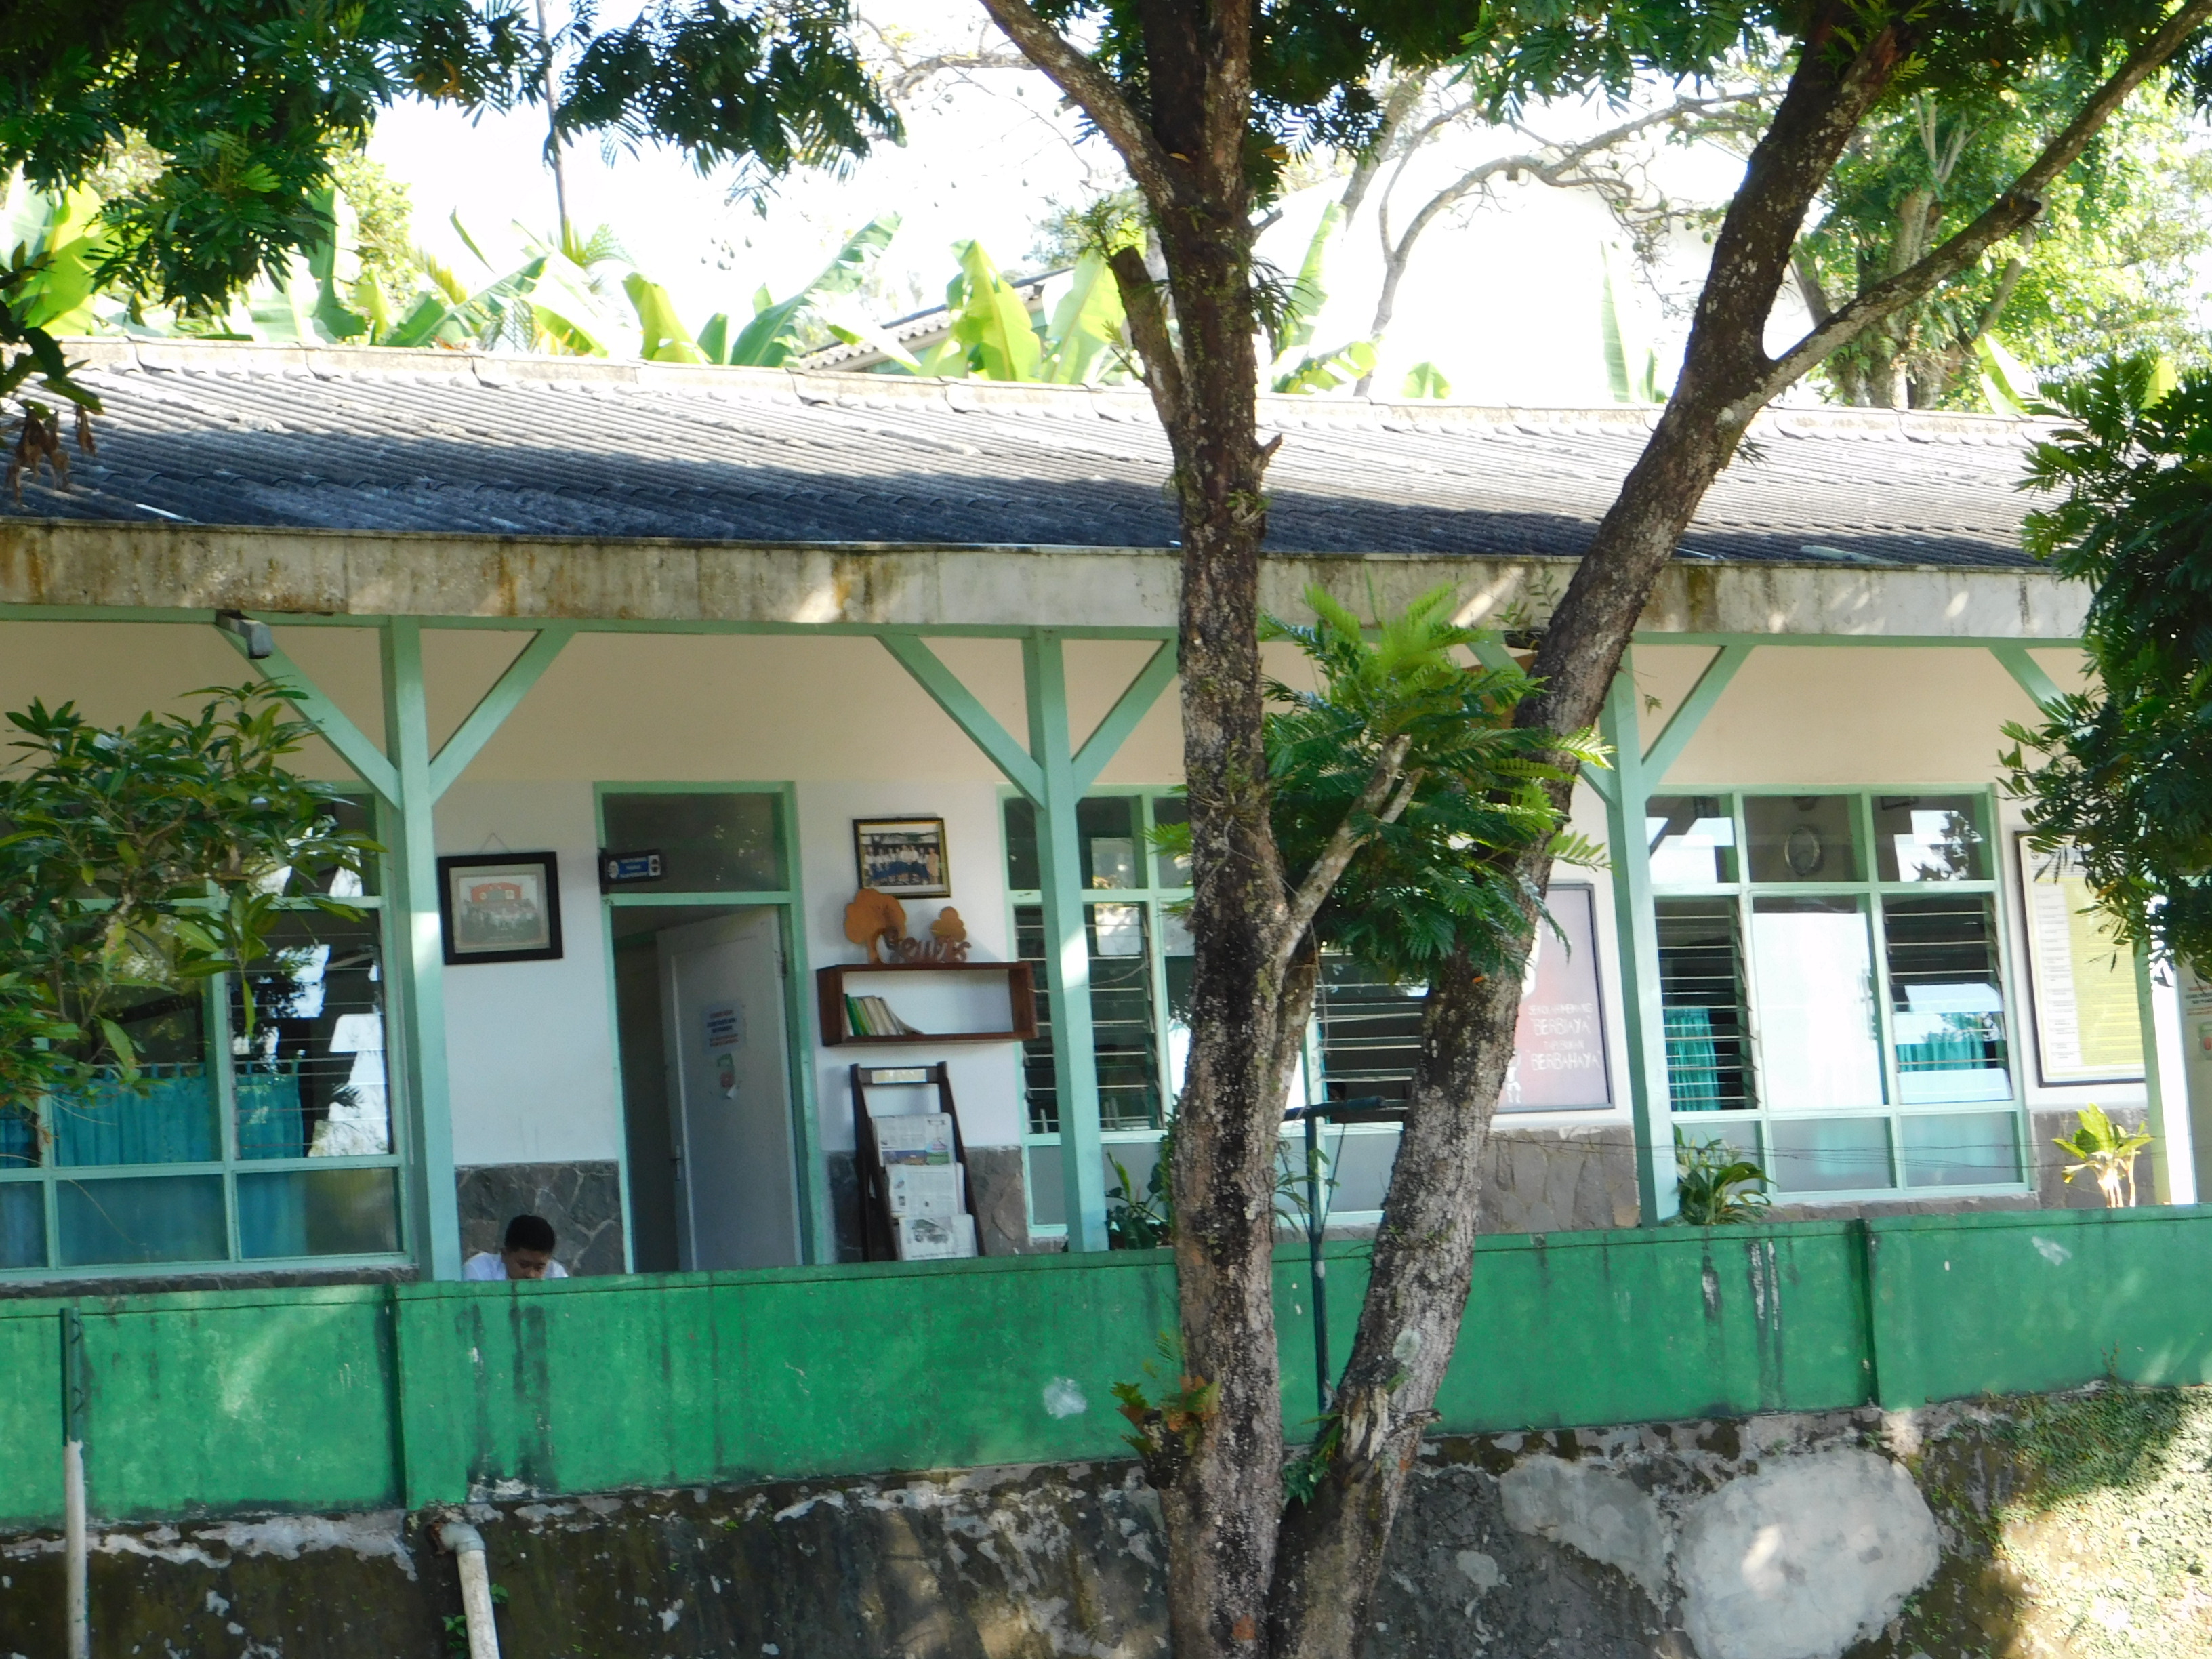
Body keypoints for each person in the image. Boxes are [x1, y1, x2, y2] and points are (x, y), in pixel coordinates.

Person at [462, 1214, 569, 1281]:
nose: (531, 1275)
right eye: (524, 1265)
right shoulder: (479, 1270)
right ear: (504, 1255)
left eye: (539, 1267)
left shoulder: (557, 1276)